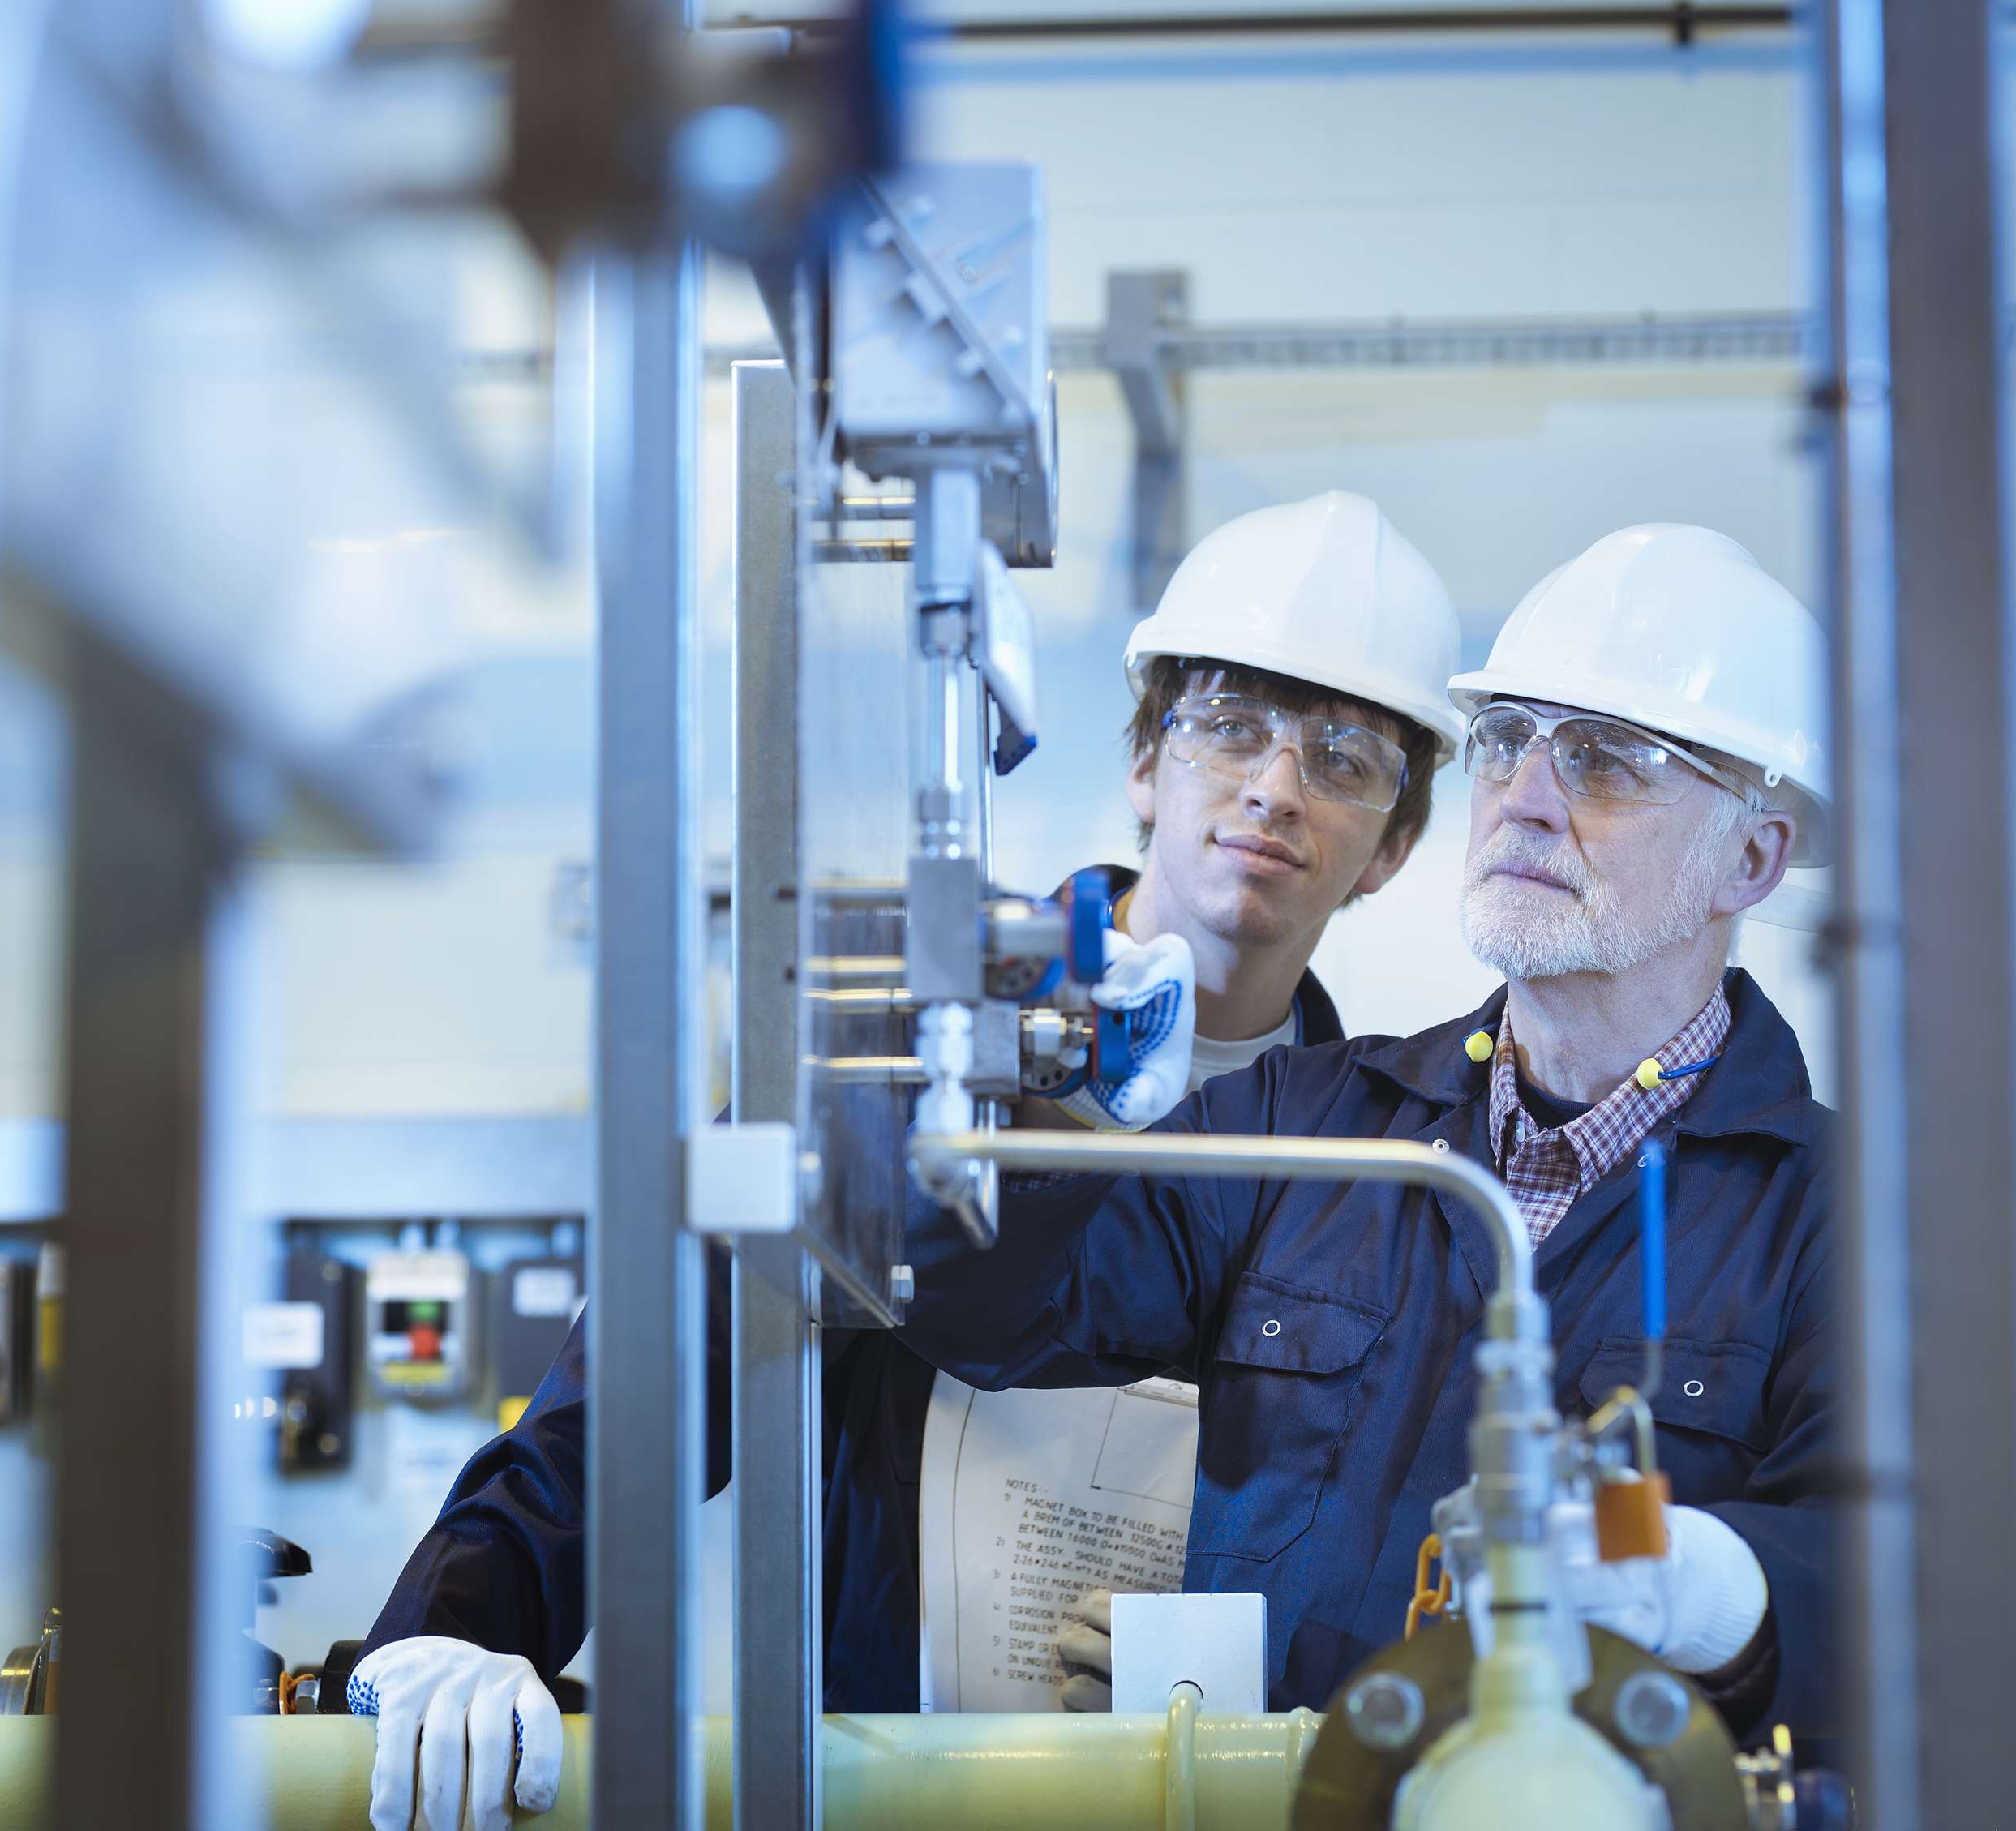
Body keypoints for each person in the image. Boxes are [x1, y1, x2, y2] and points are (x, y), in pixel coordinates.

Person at [344, 491, 1466, 1831]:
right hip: (886, 1790)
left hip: (1193, 1800)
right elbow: (648, 1377)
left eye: (1343, 758)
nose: (1274, 788)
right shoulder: (913, 1049)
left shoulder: (1391, 1177)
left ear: (1394, 846)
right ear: (1145, 765)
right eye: (1226, 725)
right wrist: (462, 1623)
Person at [894, 523, 1839, 1742]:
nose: (1528, 803)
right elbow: (985, 1312)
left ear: (1752, 858)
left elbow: (1887, 1600)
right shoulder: (1308, 1129)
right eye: (1506, 743)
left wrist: (1696, 1584)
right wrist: (1036, 1074)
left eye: (1606, 762)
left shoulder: (1841, 1220)